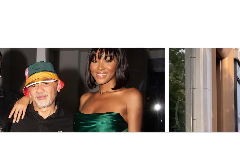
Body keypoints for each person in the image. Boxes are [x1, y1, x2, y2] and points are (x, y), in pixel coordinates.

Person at [10, 49, 142, 133]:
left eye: (108, 60)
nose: (100, 67)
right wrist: (27, 97)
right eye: (95, 61)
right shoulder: (85, 98)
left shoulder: (131, 96)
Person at [7, 61, 74, 132]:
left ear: (58, 86)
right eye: (33, 85)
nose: (39, 90)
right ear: (29, 91)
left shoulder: (73, 123)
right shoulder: (13, 118)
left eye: (45, 83)